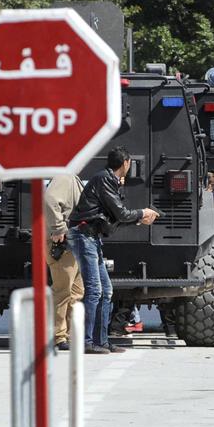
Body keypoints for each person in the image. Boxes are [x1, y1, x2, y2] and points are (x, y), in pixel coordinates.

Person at [67, 146, 159, 354]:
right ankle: (87, 341)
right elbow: (120, 212)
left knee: (106, 290)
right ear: (126, 163)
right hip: (84, 235)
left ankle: (102, 341)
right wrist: (142, 212)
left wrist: (138, 220)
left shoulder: (109, 181)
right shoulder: (104, 180)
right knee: (94, 290)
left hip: (93, 237)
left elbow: (113, 217)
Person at [44, 173, 85, 351]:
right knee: (62, 290)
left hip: (72, 243)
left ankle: (68, 334)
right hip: (62, 243)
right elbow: (50, 199)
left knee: (76, 291)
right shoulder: (64, 176)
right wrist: (59, 228)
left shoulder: (70, 177)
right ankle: (58, 336)